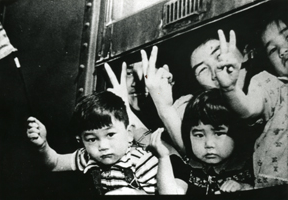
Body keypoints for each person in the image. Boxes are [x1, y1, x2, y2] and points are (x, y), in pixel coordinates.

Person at [26, 91, 160, 195]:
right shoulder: (88, 157)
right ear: (82, 141)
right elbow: (55, 163)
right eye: (92, 139)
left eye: (110, 134)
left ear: (129, 133)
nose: (103, 146)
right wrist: (43, 145)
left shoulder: (141, 161)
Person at [141, 39, 252, 156]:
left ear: (247, 54)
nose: (216, 73)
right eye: (202, 69)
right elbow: (188, 150)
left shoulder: (264, 86)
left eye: (219, 56)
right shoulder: (191, 107)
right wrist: (163, 105)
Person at [214, 24, 287, 189]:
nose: (283, 51)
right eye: (273, 50)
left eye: (287, 37)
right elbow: (248, 108)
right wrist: (230, 89)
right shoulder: (272, 85)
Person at [148, 89, 254, 195]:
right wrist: (163, 158)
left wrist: (243, 187)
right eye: (199, 135)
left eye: (218, 133)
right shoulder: (188, 167)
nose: (209, 144)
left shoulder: (250, 166)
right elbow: (172, 193)